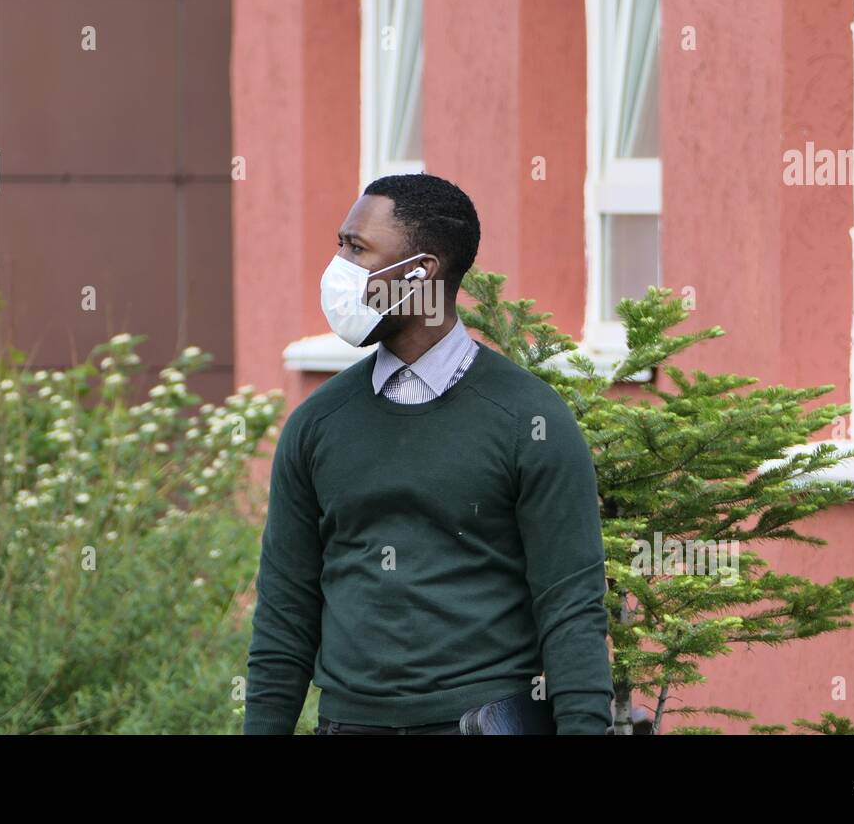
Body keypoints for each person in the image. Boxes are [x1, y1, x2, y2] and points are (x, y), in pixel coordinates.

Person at [243, 173, 614, 735]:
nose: (338, 267)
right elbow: (285, 612)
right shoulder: (317, 424)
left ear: (422, 272)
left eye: (358, 249)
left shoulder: (530, 421)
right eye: (340, 243)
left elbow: (571, 608)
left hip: (480, 722)